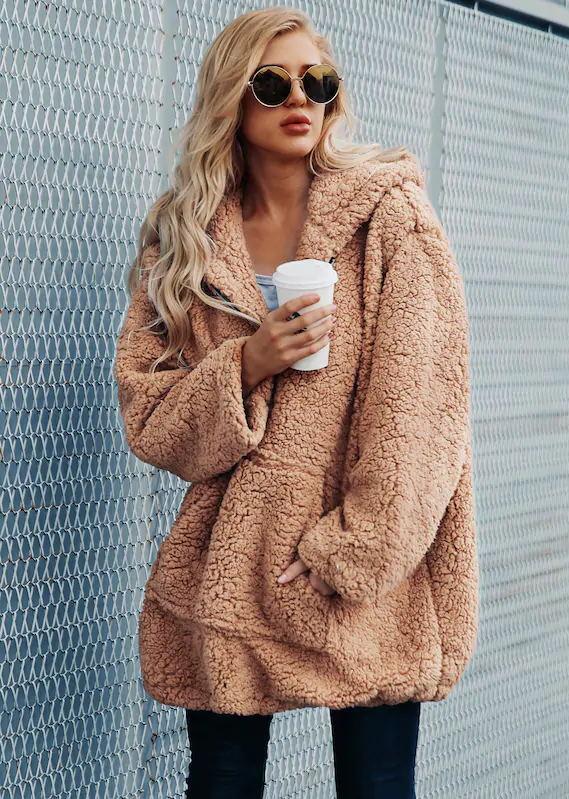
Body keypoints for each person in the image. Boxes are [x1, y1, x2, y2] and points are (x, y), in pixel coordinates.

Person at [113, 7, 479, 798]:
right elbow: (148, 417)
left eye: (317, 80)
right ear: (231, 99)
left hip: (366, 569)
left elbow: (423, 414)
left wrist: (350, 551)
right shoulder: (183, 241)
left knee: (376, 784)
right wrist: (246, 364)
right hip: (231, 572)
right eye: (272, 83)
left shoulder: (391, 219)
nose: (300, 99)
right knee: (220, 780)